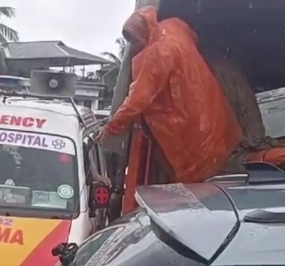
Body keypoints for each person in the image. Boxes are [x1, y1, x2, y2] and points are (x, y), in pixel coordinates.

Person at [96, 6, 242, 183]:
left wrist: (112, 127)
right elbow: (193, 37)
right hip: (209, 105)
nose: (135, 46)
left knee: (194, 171)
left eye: (135, 40)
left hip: (186, 122)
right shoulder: (173, 26)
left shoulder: (156, 54)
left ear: (143, 32)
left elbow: (137, 99)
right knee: (215, 154)